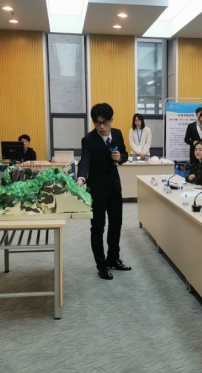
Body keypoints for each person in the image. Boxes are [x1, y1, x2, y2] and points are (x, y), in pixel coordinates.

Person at [76, 103, 131, 281]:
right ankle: (101, 265)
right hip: (97, 190)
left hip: (114, 187)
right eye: (97, 123)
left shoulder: (118, 133)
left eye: (105, 123)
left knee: (116, 224)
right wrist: (81, 178)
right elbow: (85, 161)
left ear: (111, 120)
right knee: (98, 227)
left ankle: (113, 258)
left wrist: (120, 157)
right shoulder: (88, 139)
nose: (101, 127)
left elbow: (125, 154)